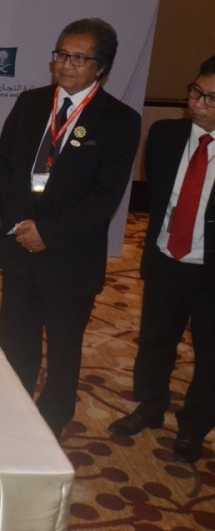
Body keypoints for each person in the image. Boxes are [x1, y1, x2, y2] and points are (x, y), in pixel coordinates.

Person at [0, 17, 140, 439]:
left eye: (79, 58)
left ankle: (54, 416)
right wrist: (21, 223)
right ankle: (11, 408)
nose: (66, 64)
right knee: (15, 339)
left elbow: (104, 197)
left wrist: (49, 233)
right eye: (61, 54)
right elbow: (3, 164)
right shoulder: (31, 102)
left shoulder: (120, 120)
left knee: (63, 346)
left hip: (69, 256)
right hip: (21, 246)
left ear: (101, 67)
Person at [108, 55, 215, 463]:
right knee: (154, 343)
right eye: (195, 92)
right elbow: (157, 195)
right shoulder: (166, 135)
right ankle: (150, 407)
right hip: (167, 259)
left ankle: (193, 427)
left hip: (210, 270)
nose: (198, 103)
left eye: (211, 98)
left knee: (210, 356)